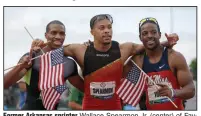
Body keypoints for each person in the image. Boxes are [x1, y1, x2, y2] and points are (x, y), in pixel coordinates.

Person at [31, 14, 178, 110]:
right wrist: (39, 45)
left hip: (114, 107)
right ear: (92, 32)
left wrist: (167, 42)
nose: (107, 31)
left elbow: (148, 45)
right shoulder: (79, 50)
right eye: (101, 28)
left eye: (109, 27)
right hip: (89, 107)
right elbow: (51, 51)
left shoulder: (124, 49)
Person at [4, 20, 83, 110]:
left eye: (62, 33)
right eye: (53, 33)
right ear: (46, 35)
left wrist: (83, 54)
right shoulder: (31, 57)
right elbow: (5, 83)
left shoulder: (69, 63)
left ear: (65, 36)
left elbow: (84, 88)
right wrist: (20, 66)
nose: (58, 36)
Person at [123, 17, 195, 110]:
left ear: (159, 35)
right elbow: (117, 73)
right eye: (145, 33)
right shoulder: (138, 60)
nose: (149, 35)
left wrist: (173, 92)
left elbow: (191, 89)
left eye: (153, 32)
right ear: (140, 37)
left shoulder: (175, 57)